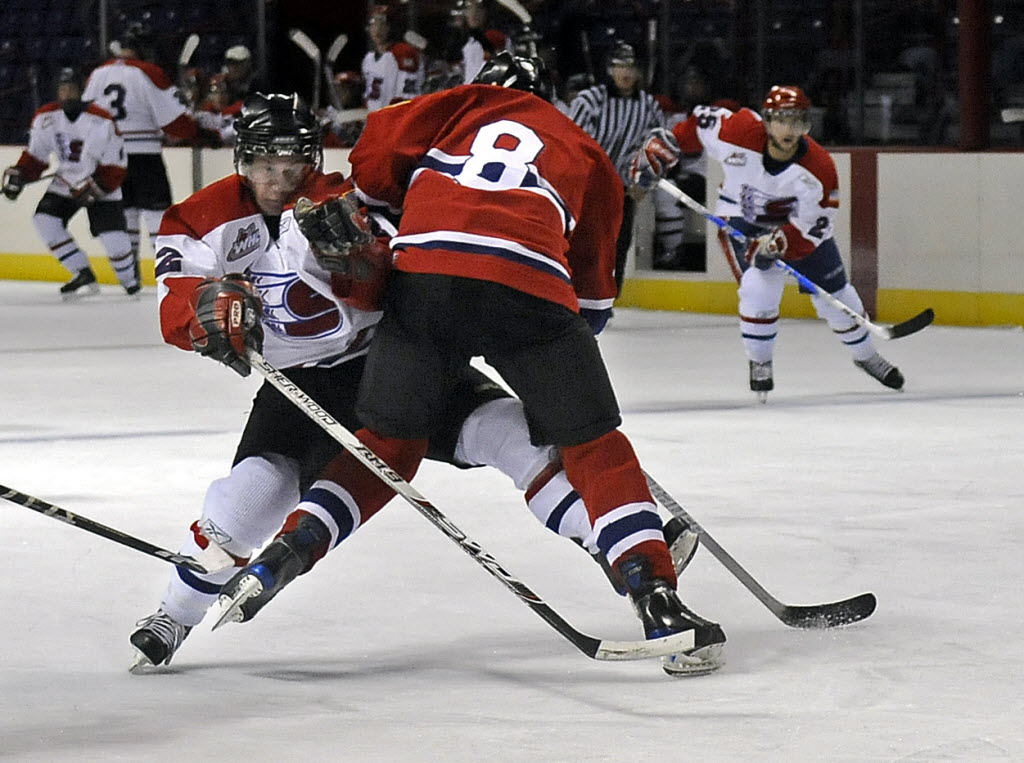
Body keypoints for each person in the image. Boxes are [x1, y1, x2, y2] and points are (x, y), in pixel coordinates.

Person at [129, 91, 698, 672]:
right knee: (247, 502)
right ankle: (174, 615)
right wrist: (204, 311)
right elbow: (176, 302)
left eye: (292, 164)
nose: (279, 180)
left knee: (511, 434)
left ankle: (618, 546)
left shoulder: (339, 200)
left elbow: (395, 279)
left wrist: (362, 264)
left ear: (312, 159)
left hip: (389, 357)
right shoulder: (199, 219)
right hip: (303, 385)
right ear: (241, 161)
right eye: (264, 165)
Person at [632, 85, 905, 399]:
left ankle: (866, 356)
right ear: (766, 120)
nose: (789, 129)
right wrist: (663, 148)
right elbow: (695, 126)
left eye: (797, 121)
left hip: (797, 229)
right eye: (782, 120)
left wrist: (779, 244)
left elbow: (813, 227)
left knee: (838, 295)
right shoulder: (738, 131)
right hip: (742, 218)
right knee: (759, 288)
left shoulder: (819, 168)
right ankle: (760, 361)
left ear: (806, 125)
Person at [1, 67, 139, 298]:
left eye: (72, 89)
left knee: (114, 240)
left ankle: (129, 280)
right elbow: (36, 156)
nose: (66, 94)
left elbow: (116, 165)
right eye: (62, 89)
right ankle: (82, 272)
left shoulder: (101, 120)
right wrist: (21, 174)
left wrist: (96, 187)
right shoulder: (46, 117)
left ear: (82, 91)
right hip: (66, 181)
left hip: (100, 182)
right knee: (45, 220)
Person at [82, 21, 201, 276]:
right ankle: (167, 274)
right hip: (144, 156)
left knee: (128, 212)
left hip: (111, 157)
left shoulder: (98, 74)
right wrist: (197, 131)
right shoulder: (148, 72)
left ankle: (130, 273)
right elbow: (175, 122)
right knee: (157, 213)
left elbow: (86, 117)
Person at [568, 42, 666, 293]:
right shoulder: (589, 101)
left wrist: (645, 182)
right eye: (620, 66)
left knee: (617, 246)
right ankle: (571, 295)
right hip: (587, 188)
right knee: (581, 243)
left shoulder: (649, 106)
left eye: (631, 67)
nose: (626, 72)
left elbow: (658, 148)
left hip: (622, 190)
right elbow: (574, 145)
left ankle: (608, 298)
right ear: (609, 69)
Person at [361, 5, 424, 113]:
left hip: (397, 117)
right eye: (373, 24)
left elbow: (406, 97)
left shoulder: (403, 52)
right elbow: (370, 98)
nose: (377, 29)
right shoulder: (368, 59)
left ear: (392, 27)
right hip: (376, 117)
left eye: (382, 24)